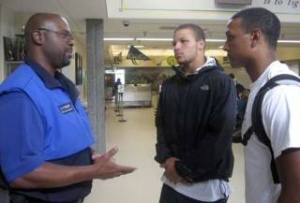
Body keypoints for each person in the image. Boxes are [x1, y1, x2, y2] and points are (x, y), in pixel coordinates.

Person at [0, 13, 135, 203]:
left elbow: (60, 138)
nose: (72, 41)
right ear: (39, 37)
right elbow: (23, 173)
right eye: (64, 35)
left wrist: (90, 156)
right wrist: (92, 171)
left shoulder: (61, 85)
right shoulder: (20, 95)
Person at [224, 7, 300, 203]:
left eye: (230, 38)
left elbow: (296, 191)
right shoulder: (261, 88)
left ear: (255, 37)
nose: (225, 46)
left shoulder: (282, 94)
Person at [155, 24, 236, 203]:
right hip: (171, 183)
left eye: (183, 41)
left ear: (201, 44)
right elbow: (161, 123)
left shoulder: (221, 82)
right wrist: (165, 157)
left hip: (206, 188)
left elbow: (220, 134)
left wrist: (183, 169)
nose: (176, 47)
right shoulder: (170, 84)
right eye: (174, 43)